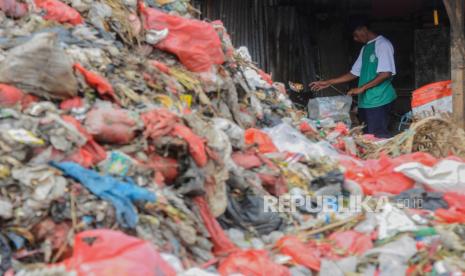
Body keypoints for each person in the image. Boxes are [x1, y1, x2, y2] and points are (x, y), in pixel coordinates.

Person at [309, 19, 397, 138]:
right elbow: (354, 73)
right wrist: (329, 82)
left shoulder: (383, 44)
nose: (355, 39)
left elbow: (385, 73)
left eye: (355, 35)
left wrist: (362, 88)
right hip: (366, 102)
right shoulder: (365, 48)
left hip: (379, 100)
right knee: (367, 138)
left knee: (378, 138)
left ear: (364, 29)